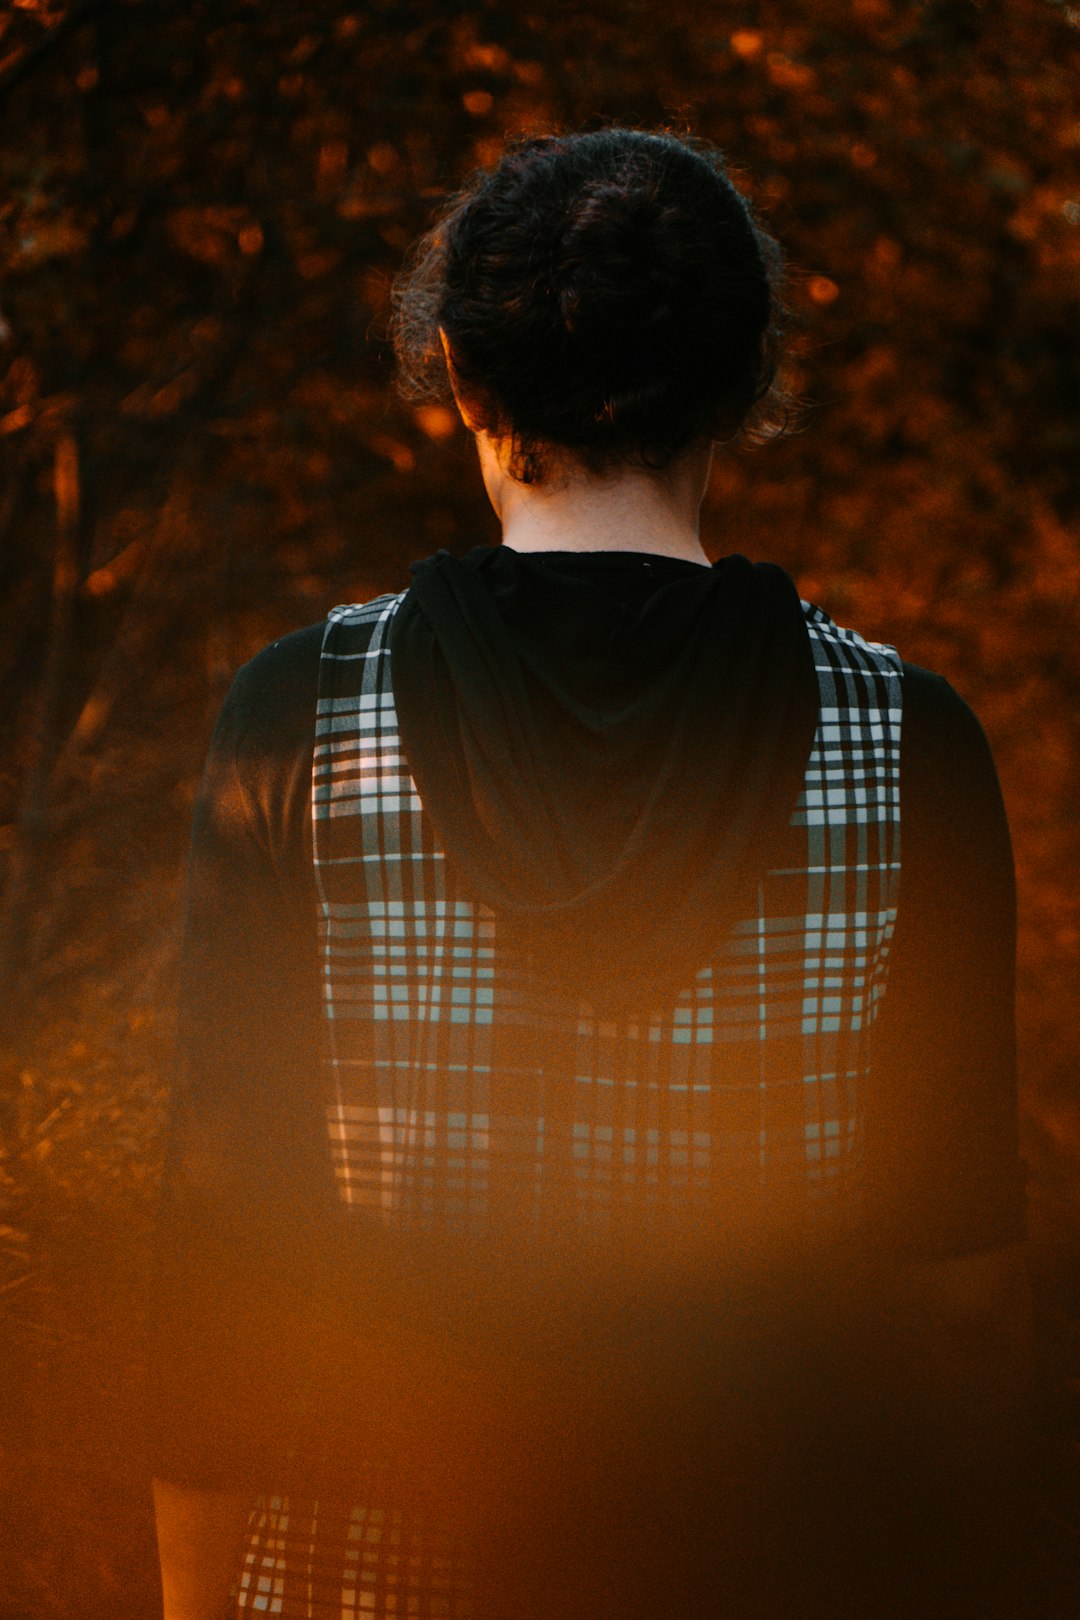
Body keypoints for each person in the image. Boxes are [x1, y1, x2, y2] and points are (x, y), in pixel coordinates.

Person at [149, 129, 1032, 1620]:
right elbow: (955, 1298)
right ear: (743, 387)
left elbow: (218, 1255)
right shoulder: (912, 744)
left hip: (375, 1570)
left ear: (461, 380)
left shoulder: (301, 715)